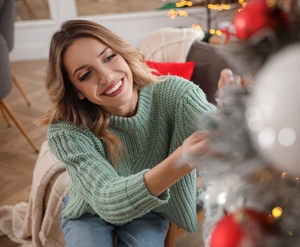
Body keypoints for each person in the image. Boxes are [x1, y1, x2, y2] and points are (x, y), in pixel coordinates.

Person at [38, 19, 237, 247]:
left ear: (122, 53)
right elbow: (106, 200)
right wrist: (180, 161)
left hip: (152, 208)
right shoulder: (66, 131)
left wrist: (232, 108)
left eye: (109, 57)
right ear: (77, 91)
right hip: (90, 210)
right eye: (85, 75)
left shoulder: (176, 94)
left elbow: (225, 138)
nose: (106, 77)